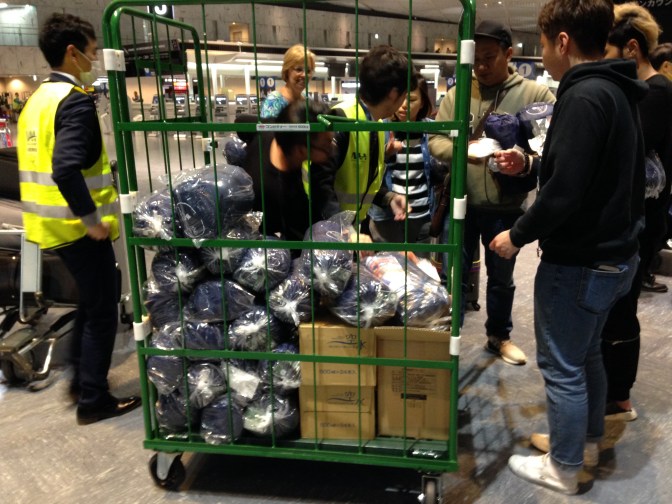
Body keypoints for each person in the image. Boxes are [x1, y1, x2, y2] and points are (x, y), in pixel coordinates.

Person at [490, 0, 646, 494]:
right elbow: (590, 173)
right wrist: (532, 166)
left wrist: (517, 235)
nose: (541, 54)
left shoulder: (584, 96)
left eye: (542, 43)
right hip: (613, 256)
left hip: (580, 260)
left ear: (562, 41)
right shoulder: (617, 89)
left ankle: (563, 465)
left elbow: (565, 193)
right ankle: (584, 443)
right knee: (586, 356)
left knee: (562, 366)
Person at [16, 13, 141, 425]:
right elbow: (65, 168)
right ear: (72, 52)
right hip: (77, 229)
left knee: (90, 300)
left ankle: (79, 380)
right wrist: (91, 220)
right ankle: (93, 399)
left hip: (47, 225)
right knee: (103, 308)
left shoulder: (36, 101)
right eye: (91, 52)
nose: (94, 60)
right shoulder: (74, 102)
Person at [429, 20, 556, 366]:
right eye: (476, 60)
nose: (481, 67)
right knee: (453, 275)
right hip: (462, 204)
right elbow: (436, 140)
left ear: (508, 54)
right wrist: (464, 152)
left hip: (506, 206)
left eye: (489, 58)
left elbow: (553, 148)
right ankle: (446, 336)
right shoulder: (457, 94)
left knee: (501, 278)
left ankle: (499, 336)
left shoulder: (535, 95)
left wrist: (524, 160)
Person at [598, 2, 672, 421]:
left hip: (642, 220)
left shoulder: (655, 92)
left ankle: (619, 397)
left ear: (631, 49)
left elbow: (629, 152)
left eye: (607, 53)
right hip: (636, 217)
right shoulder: (646, 90)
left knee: (622, 307)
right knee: (618, 305)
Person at [309, 45, 413, 226]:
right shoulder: (341, 119)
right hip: (327, 233)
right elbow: (319, 186)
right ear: (394, 93)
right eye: (405, 95)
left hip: (353, 228)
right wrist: (343, 230)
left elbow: (364, 182)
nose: (405, 103)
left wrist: (389, 198)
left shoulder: (377, 125)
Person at [237, 99, 334, 242]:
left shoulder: (272, 129)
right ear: (301, 150)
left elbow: (240, 120)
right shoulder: (278, 193)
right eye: (327, 145)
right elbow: (301, 239)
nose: (333, 148)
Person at [368, 72, 437, 245]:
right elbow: (366, 172)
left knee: (420, 261)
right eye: (400, 98)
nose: (404, 105)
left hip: (422, 214)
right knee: (389, 261)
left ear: (423, 102)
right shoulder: (380, 128)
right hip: (387, 216)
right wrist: (385, 154)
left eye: (412, 99)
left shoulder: (432, 129)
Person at [260, 44, 315, 119]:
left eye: (308, 71)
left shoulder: (307, 99)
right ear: (287, 70)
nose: (304, 75)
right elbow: (267, 126)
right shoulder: (273, 101)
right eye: (299, 69)